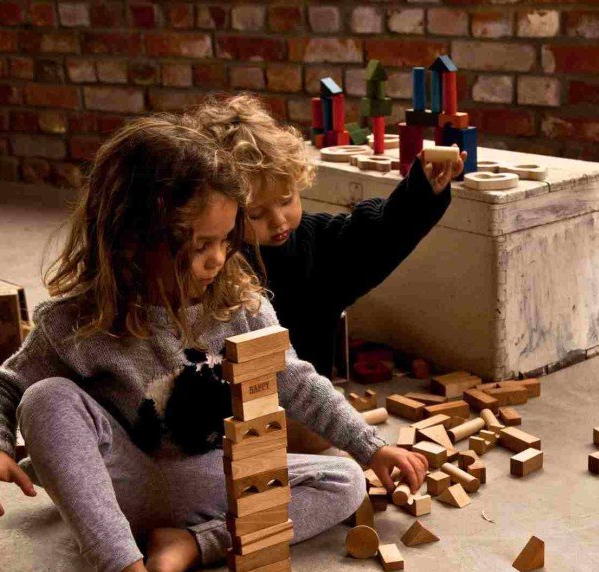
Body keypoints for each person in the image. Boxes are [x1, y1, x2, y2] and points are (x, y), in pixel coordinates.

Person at [0, 115, 427, 572]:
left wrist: (370, 446)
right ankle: (123, 571)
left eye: (226, 240)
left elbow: (296, 380)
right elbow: (2, 384)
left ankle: (190, 546)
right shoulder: (74, 320)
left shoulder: (242, 304)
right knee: (44, 400)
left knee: (344, 482)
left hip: (208, 481)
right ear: (131, 241)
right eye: (199, 246)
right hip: (123, 483)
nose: (217, 259)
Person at [192, 93, 466, 381]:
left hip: (309, 402)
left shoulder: (317, 244)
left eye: (286, 200)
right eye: (256, 214)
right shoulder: (212, 265)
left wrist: (422, 192)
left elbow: (377, 236)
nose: (279, 221)